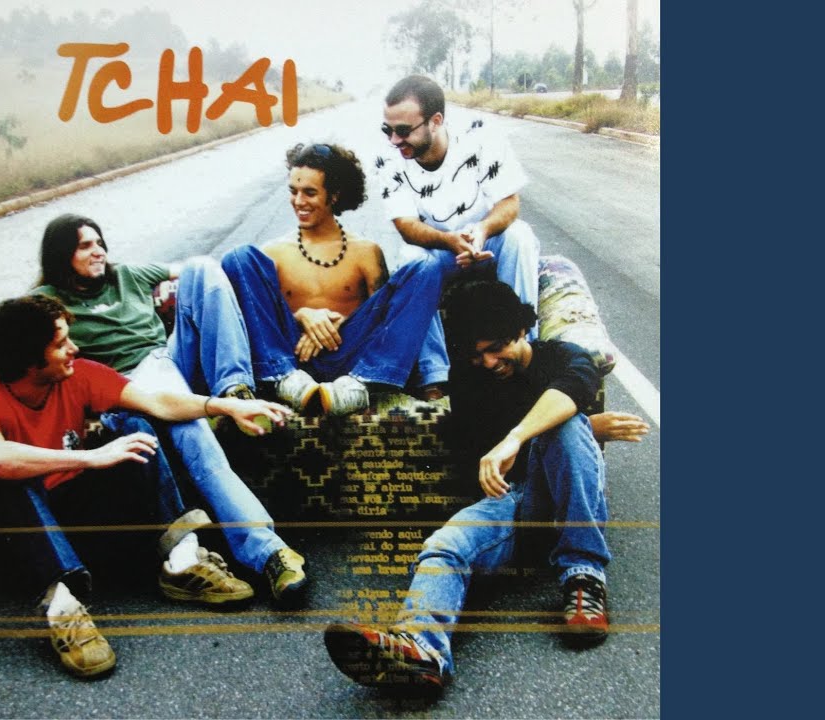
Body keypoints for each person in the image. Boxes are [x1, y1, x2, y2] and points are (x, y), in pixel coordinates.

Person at [0, 214, 310, 608]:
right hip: (117, 387)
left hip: (163, 363)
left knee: (202, 267)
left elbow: (201, 279)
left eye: (99, 242)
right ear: (61, 255)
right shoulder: (48, 300)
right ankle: (265, 552)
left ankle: (234, 386)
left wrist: (297, 308)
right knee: (191, 432)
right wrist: (31, 329)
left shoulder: (128, 275)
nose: (98, 251)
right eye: (84, 246)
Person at [324, 279, 642, 691]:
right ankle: (422, 649)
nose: (489, 362)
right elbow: (486, 442)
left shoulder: (563, 356)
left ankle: (584, 577)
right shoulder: (469, 377)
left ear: (521, 330)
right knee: (444, 545)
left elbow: (571, 391)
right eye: (477, 354)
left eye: (497, 347)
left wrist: (519, 437)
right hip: (510, 499)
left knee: (566, 425)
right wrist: (577, 430)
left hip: (563, 496)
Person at [0, 295, 294, 677]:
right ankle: (64, 609)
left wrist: (224, 406)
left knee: (136, 429)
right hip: (7, 542)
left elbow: (156, 402)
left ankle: (181, 561)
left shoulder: (78, 375)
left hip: (67, 515)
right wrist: (90, 458)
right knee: (8, 478)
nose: (74, 348)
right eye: (61, 344)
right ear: (30, 361)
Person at [221, 142, 449, 416]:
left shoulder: (365, 251)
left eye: (310, 193)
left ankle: (365, 383)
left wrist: (340, 321)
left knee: (426, 266)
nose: (298, 201)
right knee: (238, 257)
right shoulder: (273, 252)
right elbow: (266, 320)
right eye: (293, 191)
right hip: (294, 360)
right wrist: (302, 316)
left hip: (351, 362)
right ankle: (282, 378)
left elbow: (384, 321)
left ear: (335, 195)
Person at [376, 73, 543, 338]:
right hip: (440, 251)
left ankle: (524, 343)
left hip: (486, 244)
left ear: (435, 121)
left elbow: (509, 202)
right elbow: (406, 225)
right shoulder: (388, 159)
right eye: (388, 130)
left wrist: (483, 230)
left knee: (519, 237)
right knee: (411, 259)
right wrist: (449, 241)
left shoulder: (481, 135)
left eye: (404, 131)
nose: (394, 140)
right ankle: (432, 363)